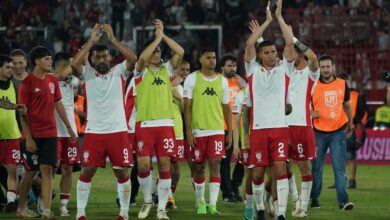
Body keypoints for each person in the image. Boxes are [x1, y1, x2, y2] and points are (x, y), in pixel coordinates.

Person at [71, 23, 137, 220]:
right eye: (97, 57)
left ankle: (123, 213)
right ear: (91, 59)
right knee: (87, 170)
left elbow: (133, 59)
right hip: (94, 131)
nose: (102, 59)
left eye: (105, 56)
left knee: (122, 172)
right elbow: (75, 65)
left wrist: (114, 39)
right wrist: (91, 41)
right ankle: (81, 213)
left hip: (118, 131)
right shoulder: (87, 74)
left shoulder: (119, 72)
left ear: (110, 57)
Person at [243, 0, 295, 219]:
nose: (273, 55)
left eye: (274, 52)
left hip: (280, 129)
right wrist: (267, 21)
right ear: (261, 55)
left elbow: (290, 43)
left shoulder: (285, 69)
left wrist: (280, 17)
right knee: (257, 173)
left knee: (281, 169)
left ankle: (281, 213)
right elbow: (249, 45)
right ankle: (261, 210)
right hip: (258, 129)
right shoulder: (252, 70)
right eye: (268, 52)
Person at [16, 46, 76, 219]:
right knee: (30, 172)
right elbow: (23, 114)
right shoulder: (27, 84)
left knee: (47, 171)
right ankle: (21, 207)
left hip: (50, 134)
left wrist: (69, 127)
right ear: (37, 61)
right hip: (32, 136)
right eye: (47, 59)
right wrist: (28, 138)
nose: (51, 61)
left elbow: (58, 104)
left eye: (50, 58)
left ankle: (47, 210)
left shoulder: (52, 80)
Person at [133, 19, 184, 220]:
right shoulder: (140, 71)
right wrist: (154, 40)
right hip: (145, 124)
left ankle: (161, 207)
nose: (157, 54)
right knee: (144, 166)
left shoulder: (167, 70)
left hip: (165, 124)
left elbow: (180, 52)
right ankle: (147, 201)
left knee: (165, 166)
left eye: (159, 51)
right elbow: (143, 58)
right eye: (155, 51)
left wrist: (163, 36)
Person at [184, 47, 232, 215]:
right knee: (198, 167)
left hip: (217, 130)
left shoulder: (222, 81)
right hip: (198, 131)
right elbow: (187, 108)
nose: (212, 60)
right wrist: (189, 132)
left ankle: (212, 205)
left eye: (214, 57)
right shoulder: (192, 79)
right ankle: (200, 202)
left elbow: (227, 108)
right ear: (201, 60)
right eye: (208, 57)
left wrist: (230, 132)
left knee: (215, 164)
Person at [310, 55, 354, 210]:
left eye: (328, 67)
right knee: (316, 168)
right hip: (318, 132)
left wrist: (351, 124)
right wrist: (310, 112)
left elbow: (347, 106)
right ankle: (314, 199)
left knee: (339, 168)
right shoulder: (313, 84)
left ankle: (343, 201)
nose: (325, 70)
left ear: (333, 67)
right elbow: (304, 103)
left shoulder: (342, 83)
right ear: (319, 68)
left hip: (338, 132)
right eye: (322, 67)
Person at [285, 37, 319, 217]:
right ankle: (295, 200)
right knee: (282, 168)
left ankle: (303, 208)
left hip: (302, 126)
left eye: (293, 51)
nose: (290, 55)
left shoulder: (311, 73)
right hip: (282, 126)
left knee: (304, 166)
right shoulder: (286, 72)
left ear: (300, 53)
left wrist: (293, 39)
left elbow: (313, 58)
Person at [52, 52, 81, 216]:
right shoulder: (49, 79)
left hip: (70, 132)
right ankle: (44, 199)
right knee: (50, 168)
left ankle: (63, 204)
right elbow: (60, 75)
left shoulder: (74, 80)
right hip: (53, 131)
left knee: (68, 168)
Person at [219, 54, 245, 203]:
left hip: (240, 127)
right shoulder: (219, 82)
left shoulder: (240, 83)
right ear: (222, 67)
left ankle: (235, 185)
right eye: (229, 66)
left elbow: (249, 100)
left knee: (243, 159)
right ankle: (227, 193)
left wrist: (244, 85)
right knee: (225, 161)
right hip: (223, 126)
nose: (232, 68)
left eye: (234, 66)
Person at [167, 60, 191, 209]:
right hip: (165, 129)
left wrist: (181, 97)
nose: (185, 73)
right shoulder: (164, 82)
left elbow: (183, 110)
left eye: (187, 70)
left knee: (176, 169)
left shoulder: (182, 88)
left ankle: (169, 194)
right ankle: (167, 197)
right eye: (182, 69)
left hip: (178, 130)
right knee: (166, 166)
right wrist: (172, 87)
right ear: (175, 70)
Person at [0, 55, 22, 213]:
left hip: (12, 135)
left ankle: (11, 201)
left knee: (12, 170)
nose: (11, 70)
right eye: (8, 67)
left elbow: (20, 112)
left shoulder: (14, 86)